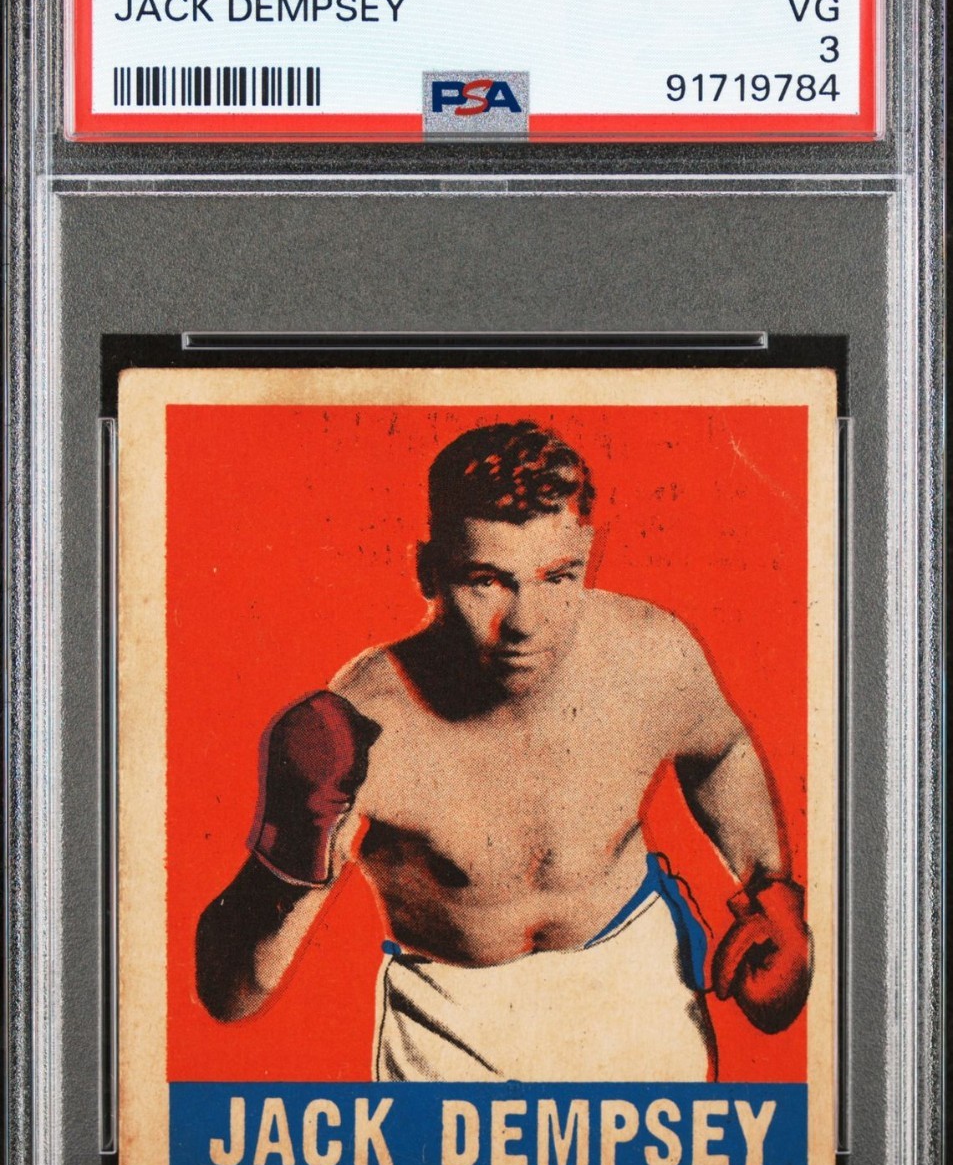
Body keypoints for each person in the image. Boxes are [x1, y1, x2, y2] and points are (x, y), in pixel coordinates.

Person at [196, 420, 811, 1082]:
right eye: (486, 581)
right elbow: (230, 996)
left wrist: (771, 886)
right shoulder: (367, 723)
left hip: (631, 977)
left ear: (586, 552)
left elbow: (719, 749)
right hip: (450, 1018)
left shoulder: (647, 653)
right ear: (428, 570)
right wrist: (288, 860)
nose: (524, 623)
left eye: (556, 577)